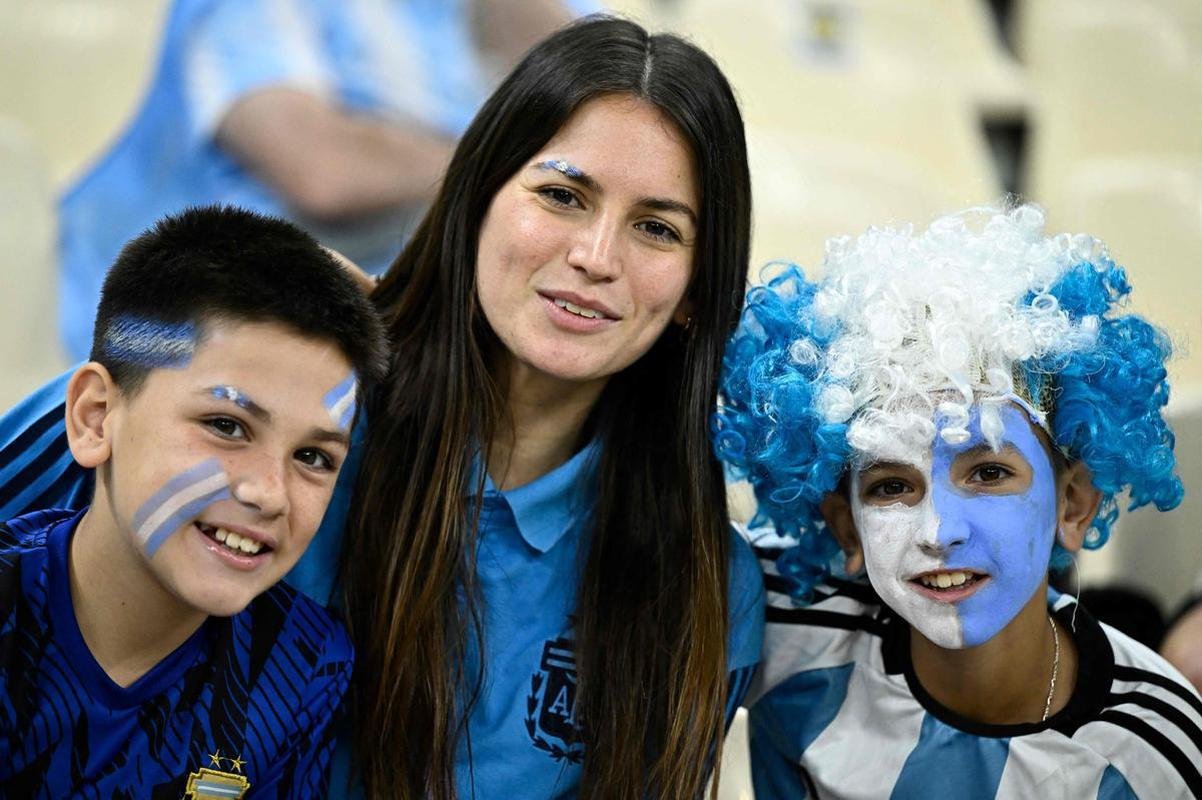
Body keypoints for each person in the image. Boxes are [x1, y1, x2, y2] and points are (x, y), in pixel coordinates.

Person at [1, 17, 764, 799]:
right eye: (562, 195)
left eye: (656, 228)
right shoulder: (268, 394)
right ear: (476, 197)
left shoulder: (703, 584)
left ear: (695, 290)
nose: (595, 258)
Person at [714, 204, 1200, 798]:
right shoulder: (774, 615)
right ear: (847, 528)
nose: (939, 531)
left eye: (989, 473)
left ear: (1072, 504)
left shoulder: (1155, 752)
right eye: (891, 486)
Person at [0, 206, 388, 796]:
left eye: (313, 457)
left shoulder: (304, 667)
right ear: (95, 417)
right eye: (226, 425)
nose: (268, 493)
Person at [57, 0, 591, 361]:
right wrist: (516, 163)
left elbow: (601, 118)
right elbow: (323, 172)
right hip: (194, 335)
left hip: (416, 330)